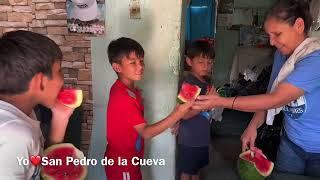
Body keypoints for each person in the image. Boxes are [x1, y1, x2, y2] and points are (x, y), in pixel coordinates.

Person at [193, 0, 320, 177]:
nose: (272, 42)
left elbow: (277, 99)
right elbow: (270, 94)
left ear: (299, 25)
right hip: (291, 142)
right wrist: (252, 126)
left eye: (277, 34)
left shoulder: (315, 59)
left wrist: (221, 101)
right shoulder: (281, 55)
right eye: (269, 35)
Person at [105, 37, 193, 180]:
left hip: (130, 160)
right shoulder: (123, 97)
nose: (140, 66)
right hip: (122, 165)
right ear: (117, 67)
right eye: (133, 62)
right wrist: (177, 114)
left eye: (141, 61)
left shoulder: (129, 90)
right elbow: (145, 133)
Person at [0, 30, 73, 179]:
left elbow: (40, 167)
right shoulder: (14, 136)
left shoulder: (25, 110)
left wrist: (60, 119)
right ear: (40, 82)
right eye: (59, 70)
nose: (62, 80)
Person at [175, 40, 214, 180]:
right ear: (189, 61)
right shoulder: (191, 83)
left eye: (209, 62)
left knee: (196, 170)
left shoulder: (205, 82)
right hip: (190, 139)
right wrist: (206, 104)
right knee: (187, 172)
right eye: (201, 62)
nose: (206, 66)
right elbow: (183, 114)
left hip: (200, 137)